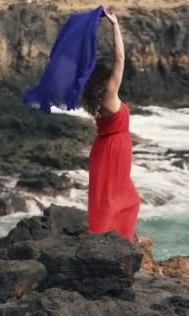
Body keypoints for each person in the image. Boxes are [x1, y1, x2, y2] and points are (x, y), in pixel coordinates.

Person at [82, 9, 141, 243]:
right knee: (122, 198)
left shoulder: (94, 95)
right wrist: (114, 25)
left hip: (105, 148)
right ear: (109, 78)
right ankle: (113, 242)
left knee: (106, 197)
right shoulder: (109, 94)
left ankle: (106, 238)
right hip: (114, 149)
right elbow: (120, 58)